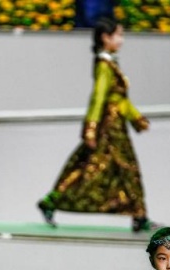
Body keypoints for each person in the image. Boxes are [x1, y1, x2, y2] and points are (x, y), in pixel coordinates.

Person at [37, 17, 154, 232]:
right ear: (105, 37)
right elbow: (98, 98)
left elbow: (119, 101)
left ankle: (139, 214)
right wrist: (91, 128)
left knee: (118, 169)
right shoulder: (104, 66)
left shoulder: (110, 63)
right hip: (109, 129)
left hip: (116, 127)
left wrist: (136, 118)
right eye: (118, 35)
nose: (122, 40)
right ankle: (52, 200)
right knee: (95, 169)